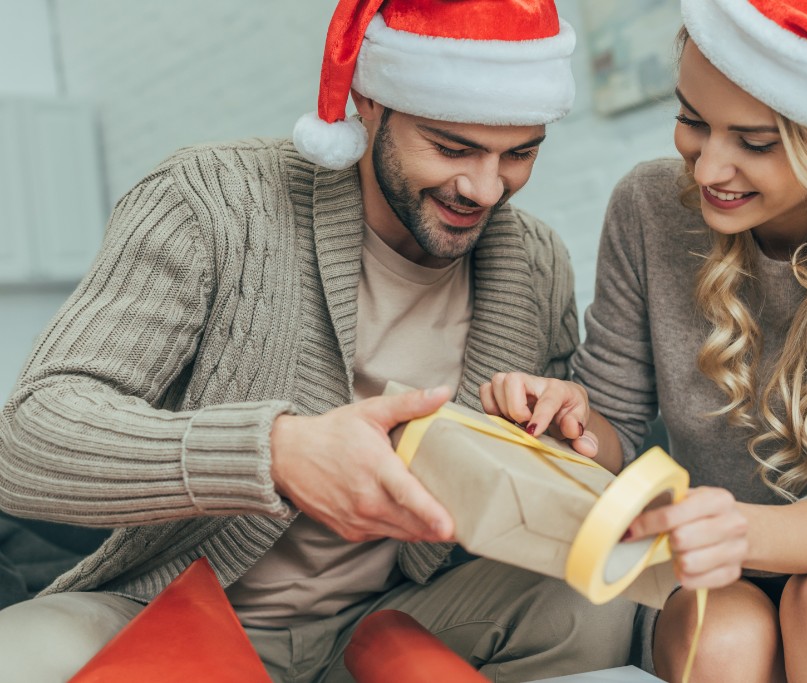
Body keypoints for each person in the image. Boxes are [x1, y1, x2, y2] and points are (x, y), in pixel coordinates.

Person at [0, 1, 636, 681]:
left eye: (521, 153)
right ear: (369, 101)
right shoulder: (211, 201)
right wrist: (275, 451)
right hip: (174, 607)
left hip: (392, 617)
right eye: (451, 147)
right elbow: (29, 435)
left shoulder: (533, 261)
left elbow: (569, 474)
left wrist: (565, 431)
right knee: (23, 654)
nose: (484, 188)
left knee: (595, 601)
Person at [480, 0, 807, 681]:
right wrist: (567, 417)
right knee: (723, 637)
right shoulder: (647, 208)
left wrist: (731, 527)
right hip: (711, 563)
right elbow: (616, 427)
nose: (706, 170)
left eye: (753, 142)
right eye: (691, 121)